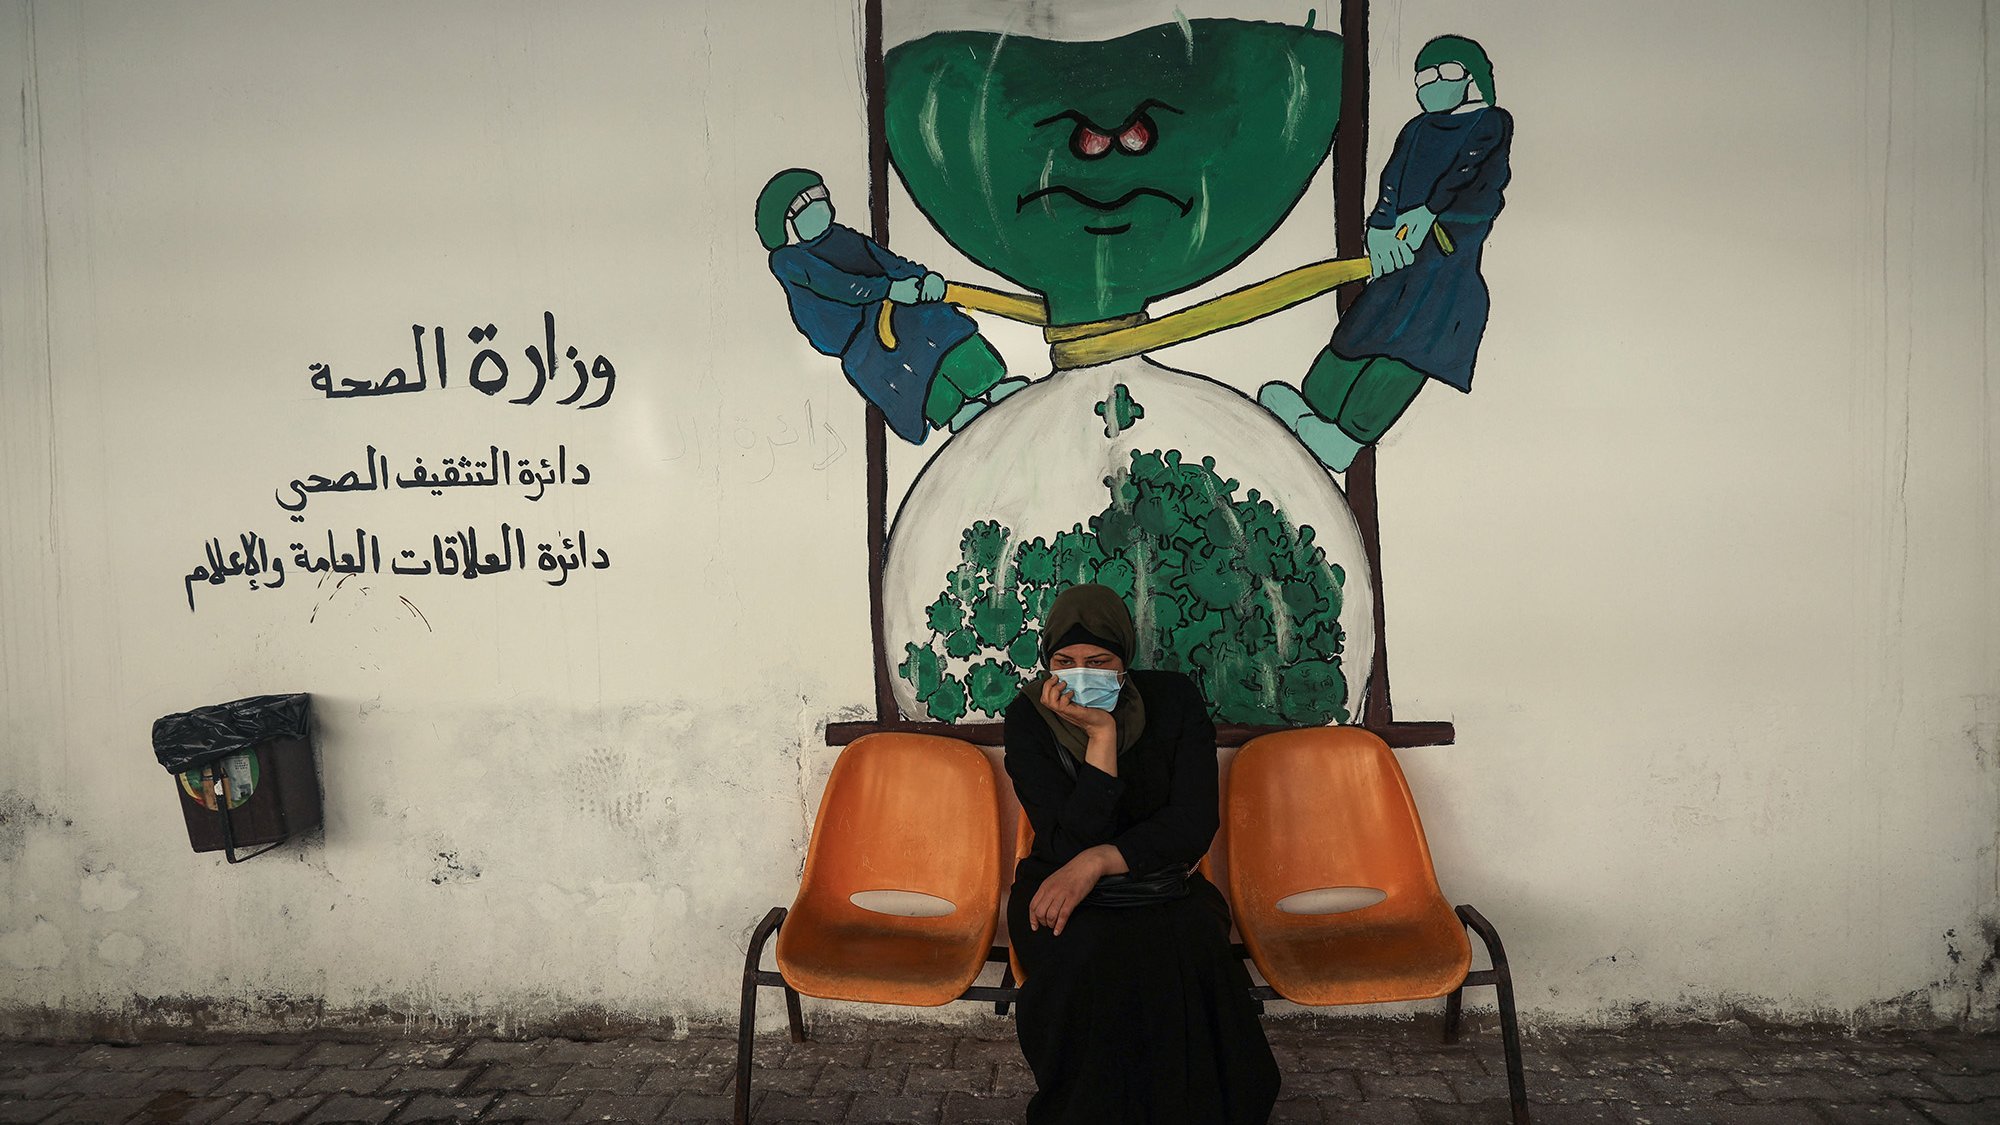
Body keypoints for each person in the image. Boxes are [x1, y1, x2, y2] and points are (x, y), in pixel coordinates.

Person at [1003, 583, 1280, 1125]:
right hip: (1058, 882)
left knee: (1182, 944)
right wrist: (1101, 741)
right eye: (1064, 661)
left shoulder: (1174, 701)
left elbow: (1192, 824)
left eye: (1098, 661)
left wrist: (1098, 862)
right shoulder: (1029, 717)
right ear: (1047, 661)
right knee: (1089, 953)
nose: (1079, 673)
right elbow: (1063, 843)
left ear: (1124, 662)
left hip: (1161, 882)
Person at [1260, 34, 1513, 471]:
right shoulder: (1416, 129)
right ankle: (1313, 408)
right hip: (1397, 254)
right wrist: (1379, 227)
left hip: (1445, 258)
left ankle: (1346, 438)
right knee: (1360, 330)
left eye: (1445, 72)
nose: (1432, 83)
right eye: (1424, 77)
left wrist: (1429, 213)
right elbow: (1391, 180)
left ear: (1472, 77)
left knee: (1410, 346)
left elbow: (1466, 172)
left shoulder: (1491, 121)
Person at [756, 168, 1026, 443]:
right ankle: (954, 410)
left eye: (820, 196)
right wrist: (890, 289)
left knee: (936, 317)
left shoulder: (842, 237)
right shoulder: (788, 260)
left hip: (888, 305)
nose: (818, 204)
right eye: (806, 202)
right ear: (787, 220)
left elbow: (888, 263)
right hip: (858, 339)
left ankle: (991, 383)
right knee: (906, 363)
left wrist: (922, 277)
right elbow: (836, 284)